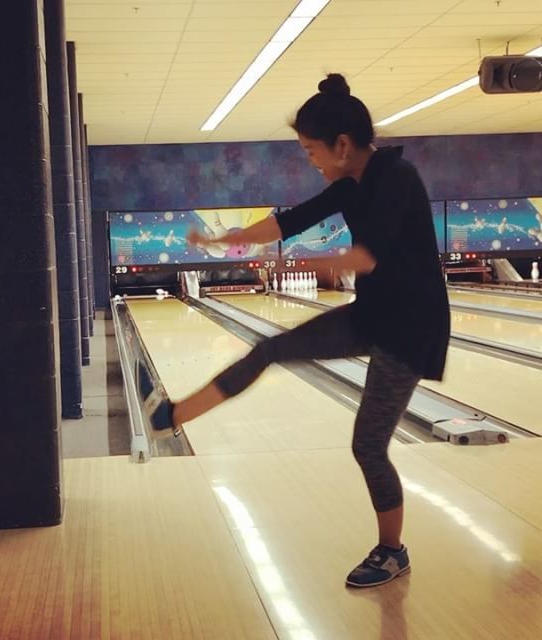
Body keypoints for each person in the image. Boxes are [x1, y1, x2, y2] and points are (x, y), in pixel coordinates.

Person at [139, 73, 450, 588]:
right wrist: (227, 240)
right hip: (374, 313)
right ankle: (173, 415)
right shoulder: (350, 183)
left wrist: (291, 266)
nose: (310, 160)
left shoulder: (397, 179)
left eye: (310, 151)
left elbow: (363, 258)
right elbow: (289, 222)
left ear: (342, 145)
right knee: (270, 349)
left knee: (368, 445)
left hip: (412, 328)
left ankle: (392, 551)